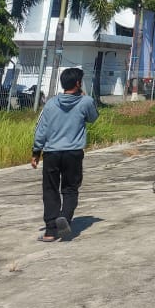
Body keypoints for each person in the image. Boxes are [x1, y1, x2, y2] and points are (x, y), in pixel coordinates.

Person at [31, 67, 98, 242]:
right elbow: (93, 118)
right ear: (78, 83)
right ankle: (65, 217)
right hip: (73, 153)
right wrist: (84, 96)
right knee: (70, 189)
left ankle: (50, 231)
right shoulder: (86, 102)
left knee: (50, 189)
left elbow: (41, 130)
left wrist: (36, 152)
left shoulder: (51, 103)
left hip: (51, 153)